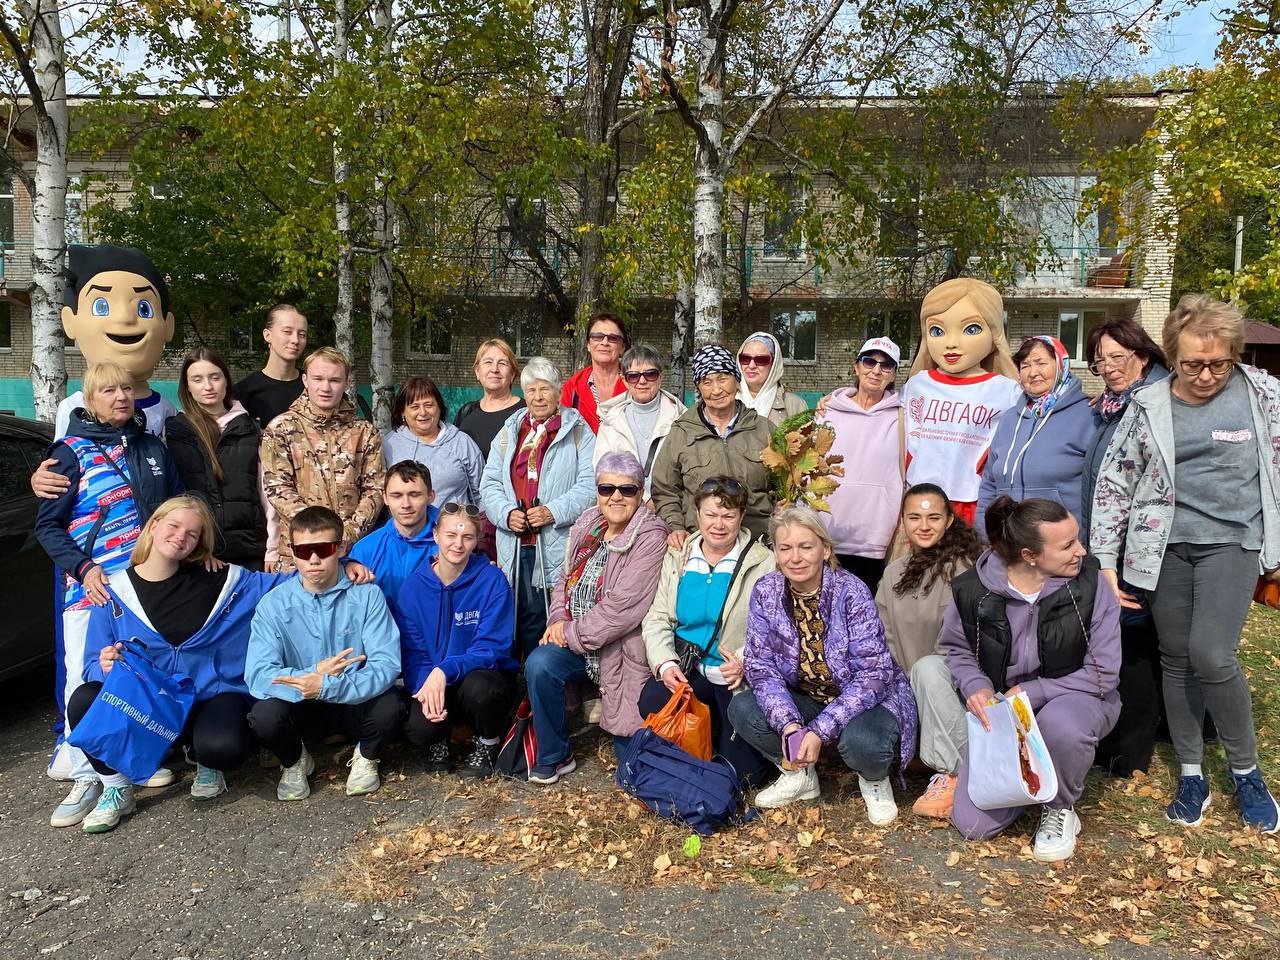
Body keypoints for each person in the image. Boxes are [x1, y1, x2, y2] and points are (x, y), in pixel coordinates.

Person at [1092, 295, 1280, 833]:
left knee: (1210, 653)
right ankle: (1193, 772)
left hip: (1235, 541)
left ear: (1234, 355)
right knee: (1175, 658)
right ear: (1172, 357)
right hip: (1164, 548)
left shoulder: (1263, 396)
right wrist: (1106, 559)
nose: (1205, 374)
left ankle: (1247, 772)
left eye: (1217, 363)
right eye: (1193, 363)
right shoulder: (1149, 405)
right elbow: (1114, 481)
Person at [63, 497, 291, 832]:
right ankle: (116, 787)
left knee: (225, 749)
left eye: (193, 534)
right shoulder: (112, 591)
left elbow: (290, 581)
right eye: (174, 526)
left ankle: (202, 755)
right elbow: (91, 666)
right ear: (153, 526)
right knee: (84, 698)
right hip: (150, 705)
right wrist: (105, 667)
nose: (181, 537)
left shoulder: (220, 579)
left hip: (207, 697)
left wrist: (347, 563)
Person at [35, 361, 184, 828]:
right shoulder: (68, 454)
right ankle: (87, 776)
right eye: (108, 391)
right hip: (91, 589)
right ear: (89, 400)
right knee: (86, 679)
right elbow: (47, 526)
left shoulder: (150, 446)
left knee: (137, 673)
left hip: (142, 589)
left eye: (126, 389)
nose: (121, 397)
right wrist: (84, 567)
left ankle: (133, 761)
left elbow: (177, 505)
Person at [941, 496, 1120, 861]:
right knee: (973, 825)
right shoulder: (972, 590)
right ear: (1029, 555)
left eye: (1078, 539)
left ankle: (1059, 807)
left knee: (1061, 725)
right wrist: (976, 686)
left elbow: (1103, 672)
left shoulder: (1091, 585)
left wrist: (1035, 691)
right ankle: (1030, 783)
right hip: (1005, 710)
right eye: (1068, 545)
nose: (1081, 551)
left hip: (1075, 697)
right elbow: (955, 649)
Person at [729, 508, 917, 826]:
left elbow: (874, 675)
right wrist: (789, 725)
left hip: (866, 699)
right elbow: (761, 667)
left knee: (861, 743)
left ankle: (874, 779)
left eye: (806, 546)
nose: (795, 557)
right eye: (785, 548)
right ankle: (799, 774)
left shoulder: (851, 592)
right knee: (744, 708)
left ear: (825, 549)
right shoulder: (766, 592)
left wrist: (819, 730)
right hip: (809, 695)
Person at [524, 452, 668, 783]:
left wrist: (568, 634)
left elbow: (623, 609)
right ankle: (555, 754)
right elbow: (565, 579)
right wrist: (557, 618)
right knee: (539, 663)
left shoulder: (650, 536)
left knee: (631, 765)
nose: (616, 496)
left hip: (621, 649)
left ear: (640, 493)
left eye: (627, 489)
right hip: (576, 638)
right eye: (607, 488)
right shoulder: (589, 524)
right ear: (598, 491)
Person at [246, 506, 404, 801]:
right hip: (303, 705)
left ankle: (366, 755)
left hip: (352, 700)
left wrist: (330, 684)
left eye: (324, 549)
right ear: (291, 552)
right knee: (263, 714)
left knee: (391, 706)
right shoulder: (273, 604)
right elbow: (257, 674)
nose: (314, 559)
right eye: (304, 551)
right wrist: (312, 677)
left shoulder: (368, 595)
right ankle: (294, 761)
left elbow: (386, 663)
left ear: (341, 547)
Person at [638, 476, 775, 788]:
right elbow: (658, 617)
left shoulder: (763, 562)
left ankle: (723, 745)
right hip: (689, 668)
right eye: (711, 514)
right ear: (696, 513)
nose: (719, 524)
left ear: (741, 517)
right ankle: (696, 750)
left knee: (744, 776)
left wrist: (744, 661)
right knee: (653, 698)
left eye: (728, 516)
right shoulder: (679, 556)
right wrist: (665, 663)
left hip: (733, 677)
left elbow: (771, 630)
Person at [1080, 317, 1169, 777]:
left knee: (1133, 643)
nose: (1109, 367)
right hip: (1110, 543)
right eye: (1100, 361)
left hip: (1141, 545)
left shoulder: (1156, 403)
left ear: (1143, 354)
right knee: (1124, 638)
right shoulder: (1115, 406)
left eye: (1118, 357)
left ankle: (1129, 751)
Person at [875, 484, 982, 819]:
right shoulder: (894, 572)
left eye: (934, 517)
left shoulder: (964, 570)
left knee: (929, 668)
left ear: (949, 521)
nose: (924, 525)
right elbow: (883, 634)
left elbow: (959, 643)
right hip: (906, 687)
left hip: (953, 689)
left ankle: (953, 774)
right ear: (903, 522)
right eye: (915, 517)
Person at [481, 356, 596, 659]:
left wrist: (553, 511)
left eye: (545, 389)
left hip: (556, 541)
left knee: (546, 615)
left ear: (559, 392)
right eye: (531, 390)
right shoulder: (510, 431)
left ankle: (540, 689)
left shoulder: (578, 432)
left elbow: (589, 486)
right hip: (515, 541)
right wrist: (506, 514)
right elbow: (489, 483)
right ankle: (517, 684)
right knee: (514, 614)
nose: (538, 397)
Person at [396, 502, 519, 779]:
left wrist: (445, 670)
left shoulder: (492, 580)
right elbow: (413, 652)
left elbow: (491, 648)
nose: (458, 544)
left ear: (477, 541)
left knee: (483, 690)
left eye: (467, 537)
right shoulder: (413, 588)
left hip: (478, 678)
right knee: (419, 728)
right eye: (451, 535)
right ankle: (439, 739)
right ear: (436, 535)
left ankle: (488, 742)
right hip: (436, 680)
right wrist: (426, 689)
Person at [900, 278, 1021, 526]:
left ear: (995, 332)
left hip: (973, 500)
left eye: (971, 329)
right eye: (937, 331)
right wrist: (840, 399)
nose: (951, 342)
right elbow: (888, 420)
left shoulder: (1006, 390)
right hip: (921, 501)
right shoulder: (918, 385)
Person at [259, 346, 386, 571]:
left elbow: (375, 490)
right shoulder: (281, 428)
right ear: (306, 380)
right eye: (318, 378)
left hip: (351, 553)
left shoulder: (364, 432)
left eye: (334, 380)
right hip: (300, 554)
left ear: (346, 383)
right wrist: (319, 535)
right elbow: (278, 488)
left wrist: (346, 535)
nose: (325, 387)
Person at [651, 344, 774, 549]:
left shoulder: (763, 429)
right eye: (706, 382)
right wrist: (676, 526)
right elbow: (665, 489)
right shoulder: (682, 431)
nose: (716, 390)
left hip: (759, 543)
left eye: (723, 379)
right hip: (700, 543)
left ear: (737, 380)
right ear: (698, 387)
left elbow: (785, 486)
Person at [975, 336, 1093, 535]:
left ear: (1061, 365)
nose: (1033, 372)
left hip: (1059, 542)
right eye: (1025, 365)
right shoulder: (1010, 419)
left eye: (1041, 363)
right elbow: (989, 482)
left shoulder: (1088, 414)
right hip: (1009, 541)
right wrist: (983, 530)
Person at [167, 347, 267, 569]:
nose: (208, 386)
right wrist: (201, 547)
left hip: (249, 551)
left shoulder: (251, 428)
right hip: (197, 554)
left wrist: (273, 547)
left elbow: (265, 491)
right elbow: (175, 496)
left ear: (226, 381)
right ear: (188, 387)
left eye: (215, 377)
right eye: (198, 379)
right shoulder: (177, 432)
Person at [820, 336, 905, 594]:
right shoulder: (827, 413)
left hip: (874, 541)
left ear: (893, 375)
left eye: (886, 365)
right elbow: (811, 469)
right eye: (869, 362)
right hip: (827, 535)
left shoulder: (903, 416)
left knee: (864, 617)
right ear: (856, 367)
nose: (876, 370)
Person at [348, 460, 439, 627]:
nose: (406, 504)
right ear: (385, 498)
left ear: (430, 496)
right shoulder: (365, 550)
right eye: (397, 495)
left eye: (414, 494)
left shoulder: (452, 542)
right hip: (386, 642)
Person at [593, 343, 686, 498]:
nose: (642, 381)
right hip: (622, 504)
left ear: (661, 377)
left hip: (668, 506)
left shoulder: (681, 419)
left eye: (650, 374)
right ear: (624, 380)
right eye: (633, 376)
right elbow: (601, 471)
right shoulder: (610, 421)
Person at [383, 376, 484, 508]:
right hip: (404, 527)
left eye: (428, 405)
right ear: (402, 412)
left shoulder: (462, 443)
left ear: (439, 408)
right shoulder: (389, 445)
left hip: (454, 526)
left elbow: (482, 493)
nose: (423, 412)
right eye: (414, 407)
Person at [235, 304, 309, 430]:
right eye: (287, 332)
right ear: (267, 335)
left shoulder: (313, 386)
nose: (295, 340)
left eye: (302, 334)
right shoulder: (243, 392)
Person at [453, 338, 525, 459]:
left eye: (502, 363)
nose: (494, 369)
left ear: (512, 374)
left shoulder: (524, 413)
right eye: (488, 362)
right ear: (477, 372)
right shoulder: (465, 412)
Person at [561, 312, 628, 433]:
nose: (605, 342)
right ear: (588, 345)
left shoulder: (635, 383)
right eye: (598, 336)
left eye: (613, 338)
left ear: (622, 347)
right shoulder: (572, 388)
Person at [735, 331, 808, 426]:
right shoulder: (724, 399)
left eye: (761, 360)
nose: (751, 365)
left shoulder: (795, 405)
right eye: (745, 358)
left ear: (774, 364)